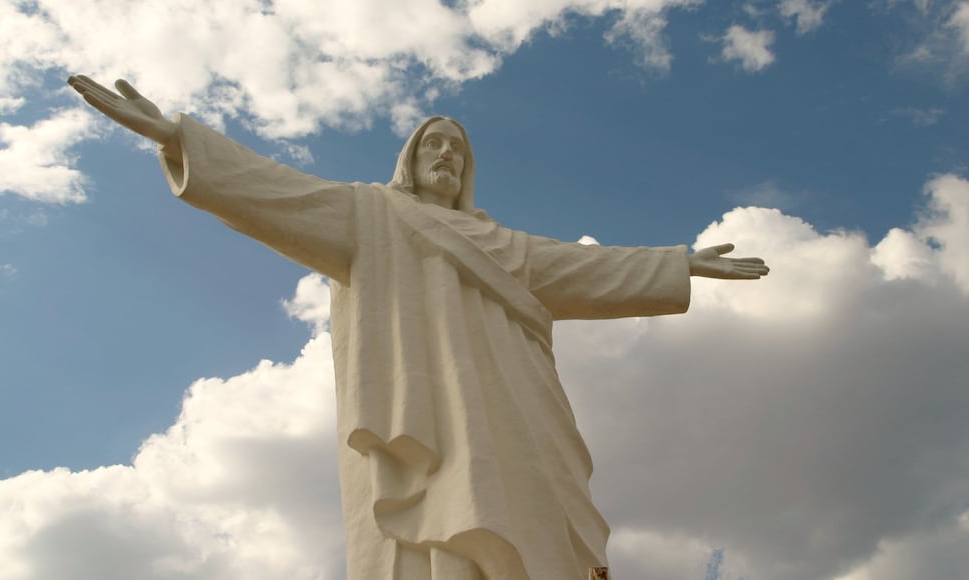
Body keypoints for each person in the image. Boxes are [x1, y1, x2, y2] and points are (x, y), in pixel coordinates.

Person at [69, 75, 769, 580]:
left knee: (527, 514)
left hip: (517, 404)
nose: (446, 157)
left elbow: (590, 270)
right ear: (411, 158)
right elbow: (276, 191)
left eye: (457, 152)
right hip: (428, 409)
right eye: (434, 146)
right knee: (446, 516)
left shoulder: (510, 247)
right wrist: (183, 140)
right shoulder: (372, 216)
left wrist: (680, 264)